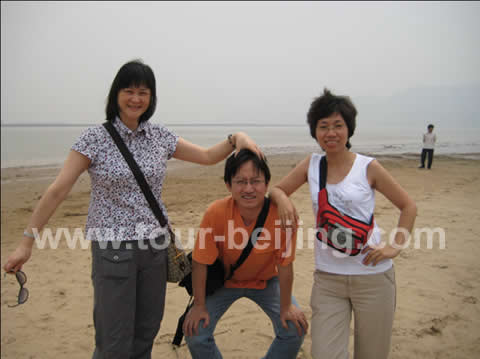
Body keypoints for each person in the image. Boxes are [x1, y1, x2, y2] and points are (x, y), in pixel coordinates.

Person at [3, 59, 263, 359]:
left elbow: (206, 156)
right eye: (129, 91)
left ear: (151, 98)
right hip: (113, 250)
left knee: (144, 336)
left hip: (155, 247)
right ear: (116, 95)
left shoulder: (159, 137)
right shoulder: (95, 139)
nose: (136, 98)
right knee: (114, 342)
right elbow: (58, 190)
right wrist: (26, 242)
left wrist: (236, 138)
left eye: (144, 92)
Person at [269, 89, 417, 359]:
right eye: (323, 126)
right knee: (324, 353)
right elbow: (276, 189)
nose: (331, 133)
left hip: (373, 277)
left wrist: (394, 247)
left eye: (338, 125)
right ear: (315, 131)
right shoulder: (311, 165)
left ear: (349, 129)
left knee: (371, 353)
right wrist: (283, 200)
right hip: (328, 279)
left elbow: (408, 206)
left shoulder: (368, 167)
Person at [183, 149, 308, 359]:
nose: (248, 188)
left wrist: (286, 307)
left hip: (267, 281)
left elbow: (285, 266)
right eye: (240, 181)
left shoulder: (281, 216)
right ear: (228, 185)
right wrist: (199, 305)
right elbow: (200, 263)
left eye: (255, 181)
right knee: (196, 333)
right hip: (226, 281)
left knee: (295, 329)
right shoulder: (216, 212)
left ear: (267, 184)